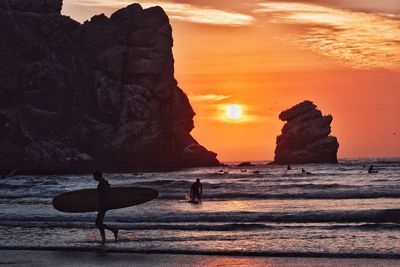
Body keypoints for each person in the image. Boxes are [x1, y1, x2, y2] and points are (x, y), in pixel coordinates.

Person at [93, 170, 118, 244]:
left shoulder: (102, 184)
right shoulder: (103, 183)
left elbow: (103, 197)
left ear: (97, 176)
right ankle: (107, 235)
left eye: (94, 176)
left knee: (98, 223)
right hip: (104, 205)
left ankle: (112, 231)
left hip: (103, 206)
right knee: (99, 222)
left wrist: (101, 208)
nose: (93, 178)